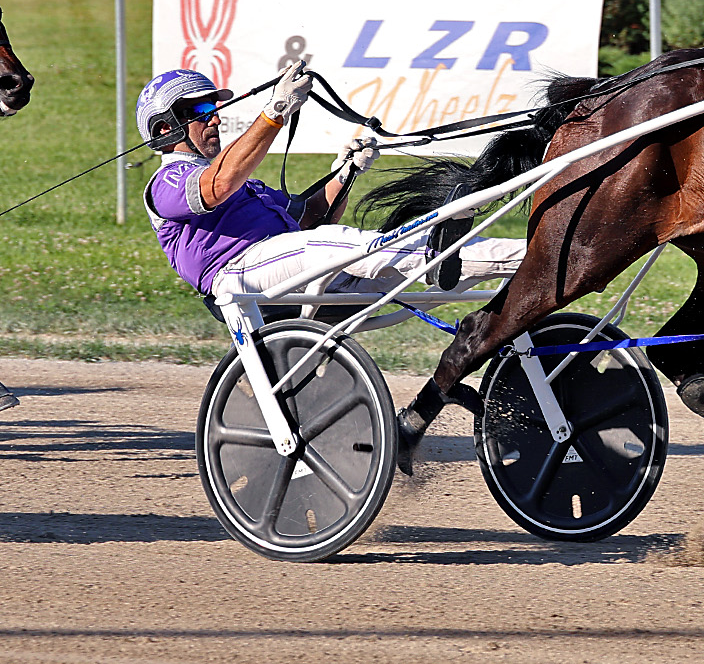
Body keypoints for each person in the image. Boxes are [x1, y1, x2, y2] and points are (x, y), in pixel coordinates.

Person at [136, 66, 526, 468]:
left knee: (401, 257)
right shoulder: (167, 182)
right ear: (166, 129)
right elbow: (217, 187)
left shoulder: (245, 185)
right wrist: (277, 110)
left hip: (289, 266)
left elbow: (309, 216)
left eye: (214, 107)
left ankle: (524, 258)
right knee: (344, 244)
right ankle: (432, 253)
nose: (215, 116)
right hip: (240, 275)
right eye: (201, 110)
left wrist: (347, 170)